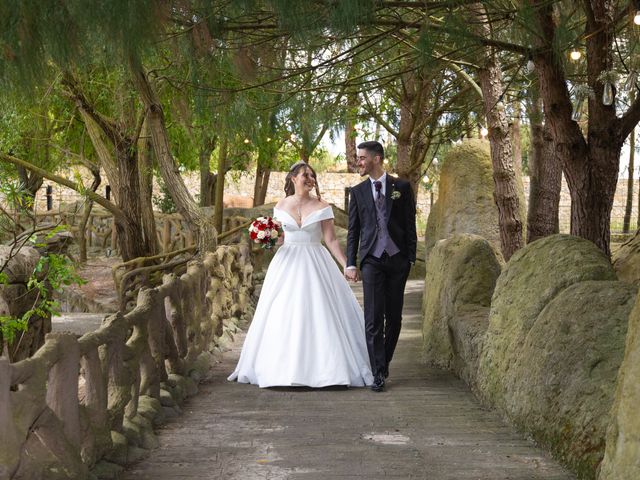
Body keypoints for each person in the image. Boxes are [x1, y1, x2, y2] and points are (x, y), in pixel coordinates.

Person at [228, 161, 373, 388]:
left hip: (315, 260)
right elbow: (281, 237)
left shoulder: (323, 206)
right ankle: (280, 369)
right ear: (293, 178)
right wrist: (268, 238)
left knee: (320, 311)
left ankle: (328, 370)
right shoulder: (281, 205)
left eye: (312, 175)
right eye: (305, 174)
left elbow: (331, 239)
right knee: (283, 312)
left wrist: (347, 265)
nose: (309, 178)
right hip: (287, 262)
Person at [345, 141, 417, 392]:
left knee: (394, 318)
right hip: (371, 260)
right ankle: (377, 372)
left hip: (398, 260)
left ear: (377, 159)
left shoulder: (402, 187)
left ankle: (384, 361)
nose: (359, 162)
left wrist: (410, 258)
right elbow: (353, 231)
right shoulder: (357, 192)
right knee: (373, 317)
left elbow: (410, 224)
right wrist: (351, 263)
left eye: (362, 158)